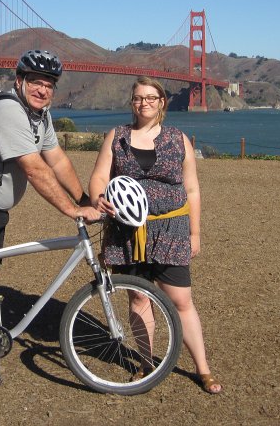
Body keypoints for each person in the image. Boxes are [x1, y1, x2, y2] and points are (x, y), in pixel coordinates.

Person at [0, 49, 102, 406]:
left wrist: (85, 198)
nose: (43, 90)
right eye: (36, 82)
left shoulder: (40, 116)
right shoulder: (10, 111)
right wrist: (74, 210)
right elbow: (35, 168)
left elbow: (56, 159)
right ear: (19, 81)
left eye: (49, 85)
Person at [88, 76, 222, 394]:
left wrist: (195, 233)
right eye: (138, 98)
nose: (144, 103)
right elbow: (98, 178)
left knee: (181, 301)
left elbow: (192, 189)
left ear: (161, 102)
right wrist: (98, 199)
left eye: (151, 98)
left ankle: (203, 370)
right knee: (138, 297)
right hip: (126, 231)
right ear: (131, 102)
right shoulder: (116, 137)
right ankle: (147, 366)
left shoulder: (178, 139)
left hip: (172, 230)